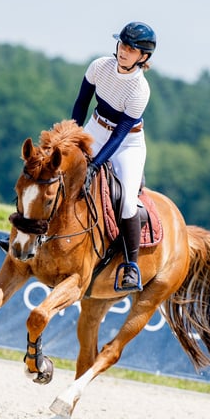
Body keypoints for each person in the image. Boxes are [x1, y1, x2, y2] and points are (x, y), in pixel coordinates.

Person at [70, 21, 156, 292]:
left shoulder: (140, 90)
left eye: (131, 49)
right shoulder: (99, 66)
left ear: (143, 57)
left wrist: (95, 165)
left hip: (127, 143)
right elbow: (81, 104)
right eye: (122, 44)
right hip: (95, 127)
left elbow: (118, 137)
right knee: (59, 171)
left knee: (129, 203)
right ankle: (29, 234)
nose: (123, 51)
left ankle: (131, 266)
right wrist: (71, 138)